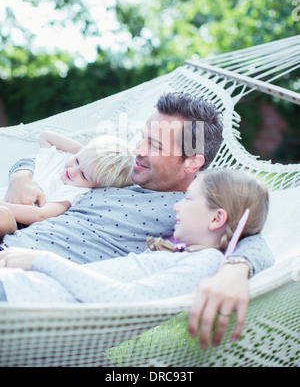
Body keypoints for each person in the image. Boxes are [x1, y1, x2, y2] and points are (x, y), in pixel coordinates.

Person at [1, 92, 274, 347]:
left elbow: (249, 228)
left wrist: (236, 269)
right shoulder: (127, 172)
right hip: (11, 239)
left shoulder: (193, 208)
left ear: (191, 163)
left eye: (153, 145)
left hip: (29, 284)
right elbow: (60, 159)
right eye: (142, 137)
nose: (137, 149)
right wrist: (21, 175)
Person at [0, 169, 269, 308]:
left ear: (216, 219)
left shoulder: (207, 262)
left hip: (22, 297)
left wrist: (42, 260)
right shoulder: (187, 255)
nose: (176, 206)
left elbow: (126, 301)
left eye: (187, 199)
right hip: (22, 288)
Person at [0, 131, 134, 237]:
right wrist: (83, 152)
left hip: (15, 219)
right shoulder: (58, 159)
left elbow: (41, 215)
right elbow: (45, 136)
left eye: (83, 175)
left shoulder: (73, 191)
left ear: (97, 186)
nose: (73, 171)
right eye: (77, 161)